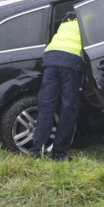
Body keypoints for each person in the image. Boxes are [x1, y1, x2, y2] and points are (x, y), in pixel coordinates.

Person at [31, 11, 83, 161]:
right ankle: (59, 154)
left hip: (51, 60)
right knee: (68, 108)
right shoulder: (85, 22)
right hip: (71, 62)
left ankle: (37, 151)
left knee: (46, 107)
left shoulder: (64, 24)